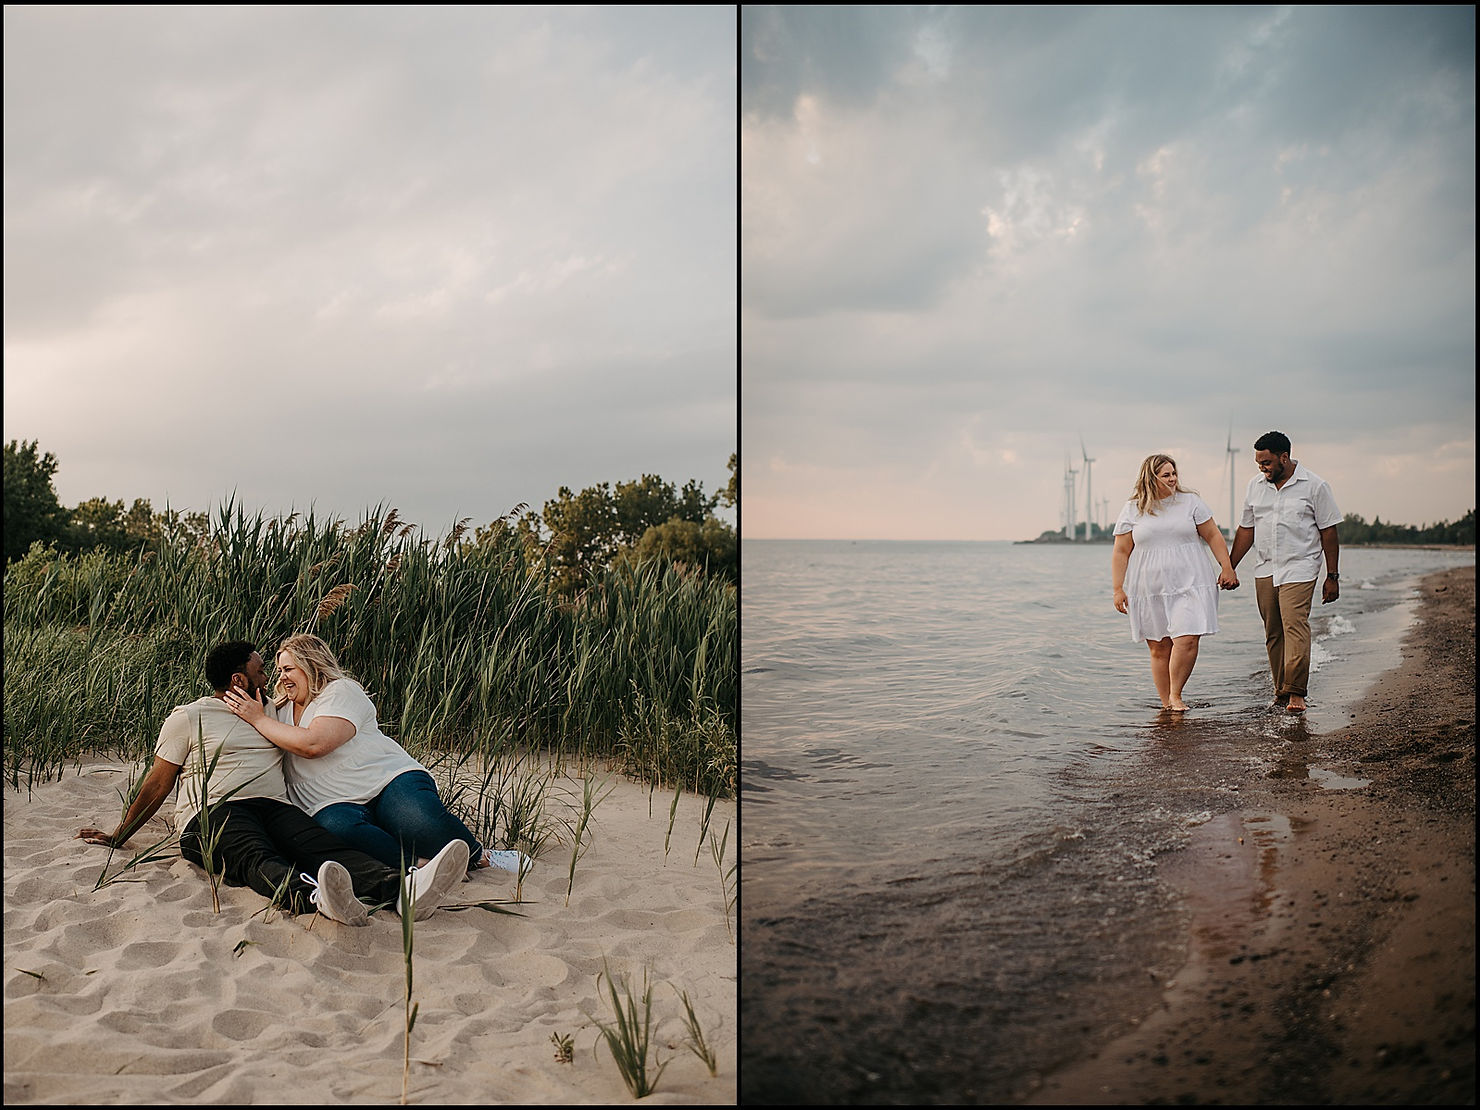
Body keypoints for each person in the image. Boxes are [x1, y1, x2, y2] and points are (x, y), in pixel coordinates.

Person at [77, 640, 469, 925]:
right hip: (214, 811)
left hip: (274, 807)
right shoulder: (189, 717)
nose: (271, 679)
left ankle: (401, 889)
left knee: (325, 846)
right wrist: (119, 835)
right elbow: (157, 784)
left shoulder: (269, 710)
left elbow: (310, 717)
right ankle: (314, 897)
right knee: (257, 857)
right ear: (238, 679)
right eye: (262, 671)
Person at [221, 633, 530, 876]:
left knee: (419, 823)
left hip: (385, 781)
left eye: (288, 669)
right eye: (278, 671)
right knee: (337, 831)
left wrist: (258, 719)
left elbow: (314, 744)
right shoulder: (276, 710)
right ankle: (420, 868)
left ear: (311, 665)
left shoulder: (340, 691)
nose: (281, 677)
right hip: (330, 801)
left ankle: (481, 856)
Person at [1111, 454, 1239, 711]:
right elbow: (1121, 551)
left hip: (1191, 581)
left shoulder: (1190, 502)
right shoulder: (1133, 508)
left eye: (1174, 473)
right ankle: (1166, 705)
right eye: (1166, 475)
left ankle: (1176, 695)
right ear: (1151, 478)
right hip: (1149, 586)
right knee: (1159, 647)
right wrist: (1117, 588)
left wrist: (1227, 567)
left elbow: (1213, 535)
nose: (1172, 479)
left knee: (1187, 639)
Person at [1227, 430, 1341, 715]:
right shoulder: (1255, 486)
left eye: (1266, 463)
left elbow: (1329, 532)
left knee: (1295, 627)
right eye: (1258, 463)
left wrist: (1332, 576)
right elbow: (1246, 530)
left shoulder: (1314, 486)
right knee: (1273, 633)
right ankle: (1281, 692)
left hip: (1300, 567)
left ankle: (1296, 692)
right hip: (1265, 568)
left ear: (1284, 458)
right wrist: (1229, 566)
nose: (1262, 468)